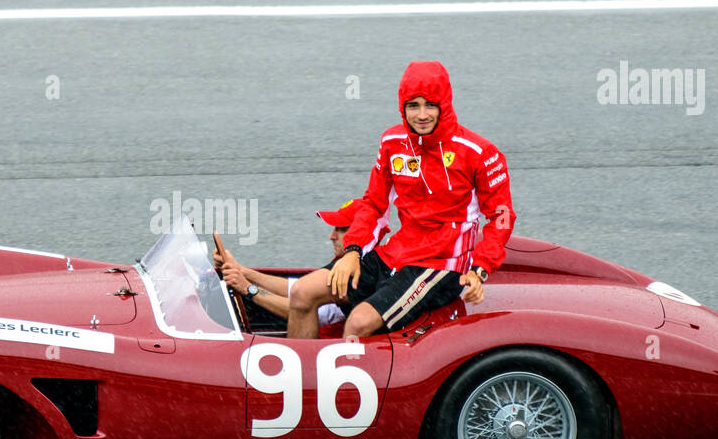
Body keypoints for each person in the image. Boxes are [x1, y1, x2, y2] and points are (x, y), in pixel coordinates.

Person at [288, 60, 516, 339]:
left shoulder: (480, 152)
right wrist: (352, 251)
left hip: (442, 264)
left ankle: (347, 380)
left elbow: (501, 217)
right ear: (402, 107)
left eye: (430, 105)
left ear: (444, 104)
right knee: (301, 294)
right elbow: (373, 204)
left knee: (358, 324)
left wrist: (479, 270)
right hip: (396, 252)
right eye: (413, 105)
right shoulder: (391, 142)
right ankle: (306, 381)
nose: (422, 115)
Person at [212, 199, 388, 331]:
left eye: (341, 229)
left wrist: (249, 289)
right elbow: (296, 289)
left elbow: (303, 311)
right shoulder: (348, 262)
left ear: (362, 233)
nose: (332, 236)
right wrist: (242, 271)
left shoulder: (357, 274)